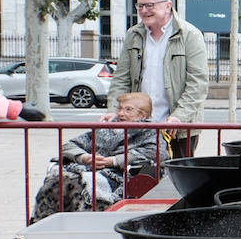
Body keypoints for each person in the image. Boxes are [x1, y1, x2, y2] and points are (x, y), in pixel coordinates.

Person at [30, 92, 168, 222]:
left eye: (128, 110)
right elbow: (69, 145)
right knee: (57, 179)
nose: (121, 113)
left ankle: (80, 230)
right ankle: (40, 224)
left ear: (142, 115)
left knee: (78, 184)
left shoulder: (149, 131)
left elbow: (158, 153)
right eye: (119, 108)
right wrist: (84, 157)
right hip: (89, 168)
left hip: (120, 175)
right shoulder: (107, 127)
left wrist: (113, 161)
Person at [105, 0, 208, 158]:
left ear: (168, 6)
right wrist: (113, 110)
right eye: (140, 6)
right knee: (138, 178)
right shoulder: (133, 35)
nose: (144, 11)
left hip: (177, 128)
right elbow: (121, 78)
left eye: (150, 5)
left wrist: (179, 117)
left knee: (176, 179)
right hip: (138, 125)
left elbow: (198, 83)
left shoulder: (189, 35)